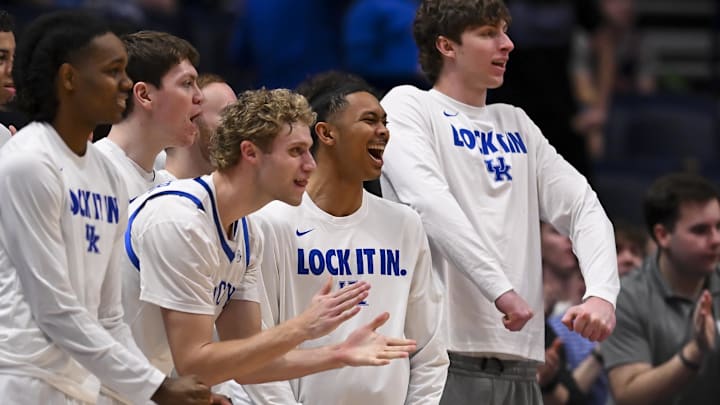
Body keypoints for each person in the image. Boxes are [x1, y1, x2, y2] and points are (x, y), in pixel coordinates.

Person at [378, 0, 620, 403]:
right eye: (489, 33)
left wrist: (602, 294)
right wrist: (501, 290)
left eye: (505, 31)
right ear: (446, 46)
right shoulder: (408, 106)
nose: (507, 44)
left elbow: (584, 207)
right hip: (443, 357)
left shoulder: (516, 123)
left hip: (525, 364)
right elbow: (429, 203)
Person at [121, 87, 417, 391]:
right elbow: (194, 363)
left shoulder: (247, 233)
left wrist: (337, 354)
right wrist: (302, 327)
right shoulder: (181, 221)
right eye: (295, 151)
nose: (310, 164)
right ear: (250, 153)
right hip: (91, 389)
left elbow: (248, 365)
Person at [0, 10, 211, 404]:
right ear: (69, 79)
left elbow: (109, 315)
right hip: (21, 379)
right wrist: (156, 386)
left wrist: (152, 387)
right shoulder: (28, 162)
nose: (126, 83)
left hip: (83, 385)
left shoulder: (107, 175)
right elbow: (53, 308)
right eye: (113, 71)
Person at [242, 71, 448, 404]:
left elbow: (429, 349)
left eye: (385, 121)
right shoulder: (269, 222)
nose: (383, 131)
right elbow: (255, 348)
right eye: (369, 120)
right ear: (326, 133)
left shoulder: (404, 225)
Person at [603, 173, 720, 405]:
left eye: (719, 227)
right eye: (700, 230)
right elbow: (628, 394)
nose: (716, 239)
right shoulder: (626, 297)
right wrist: (695, 351)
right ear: (663, 235)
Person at [95, 30, 202, 198]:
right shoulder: (94, 171)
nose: (199, 97)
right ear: (144, 95)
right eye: (187, 83)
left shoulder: (169, 188)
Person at [163, 72, 236, 179]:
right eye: (228, 114)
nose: (240, 125)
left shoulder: (222, 192)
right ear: (191, 121)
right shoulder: (155, 191)